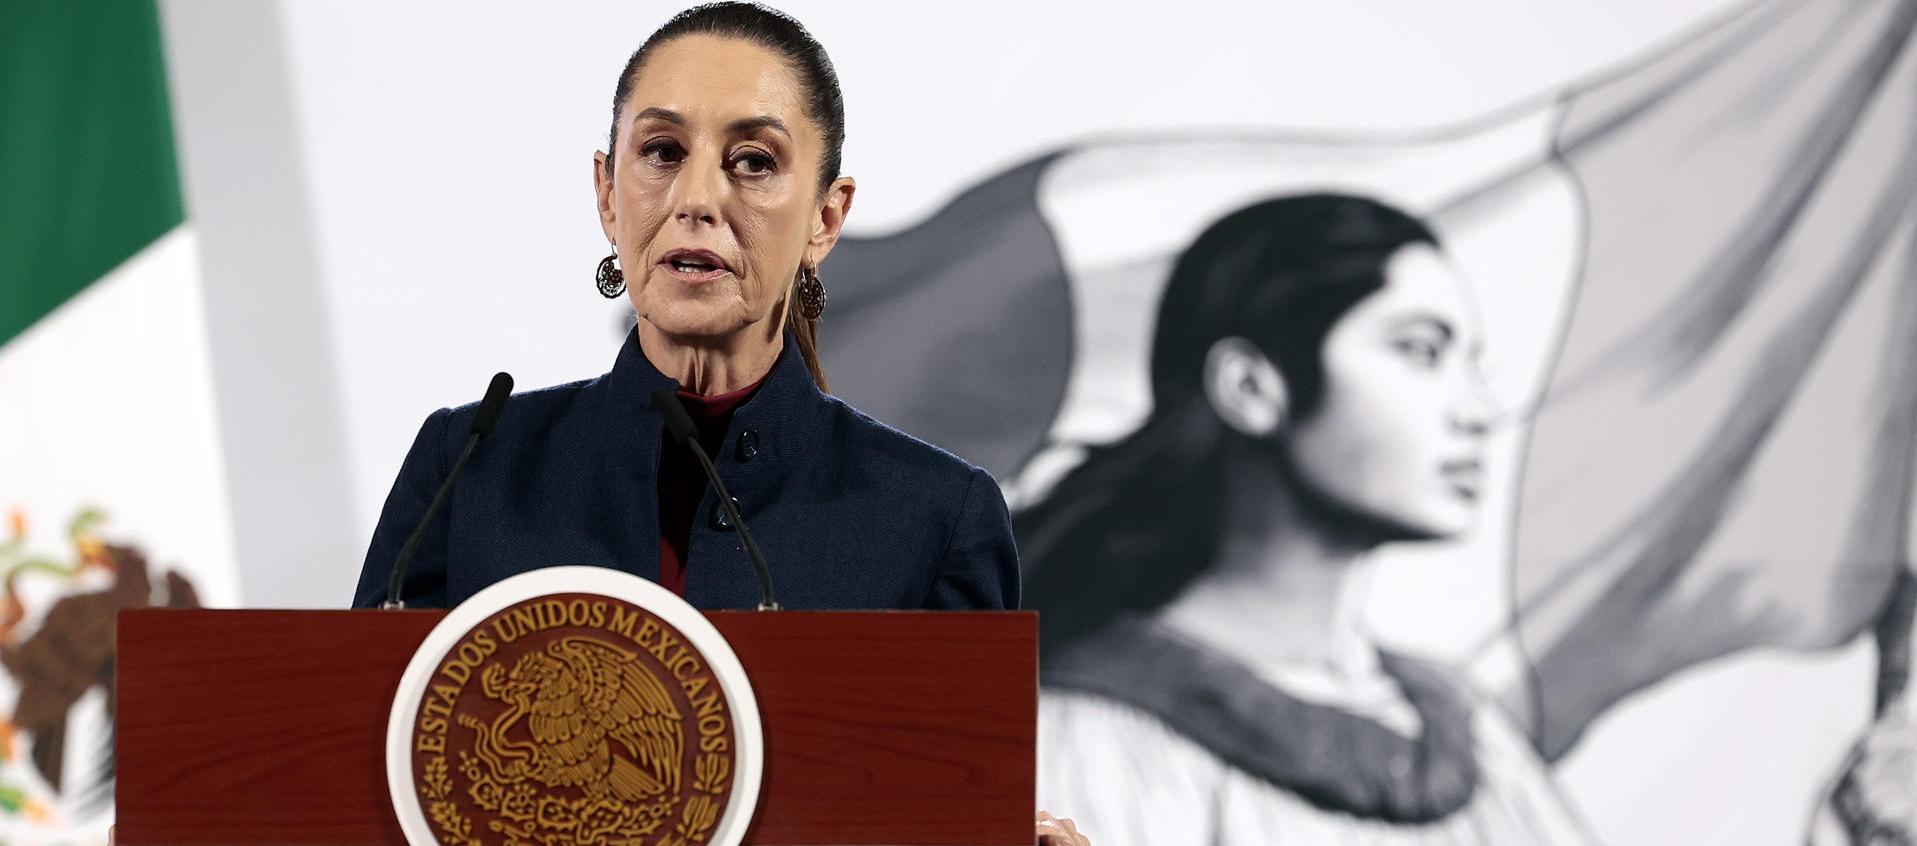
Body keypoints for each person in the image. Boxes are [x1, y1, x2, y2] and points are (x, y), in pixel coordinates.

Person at [350, 3, 1021, 614]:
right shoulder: (467, 472)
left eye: (752, 161)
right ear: (608, 194)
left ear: (824, 217)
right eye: (662, 152)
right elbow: (362, 734)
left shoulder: (937, 517)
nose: (695, 199)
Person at [1023, 194, 1589, 844]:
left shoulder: (1471, 737)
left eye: (1469, 362)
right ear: (1250, 388)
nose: (1478, 410)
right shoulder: (1079, 737)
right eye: (1420, 351)